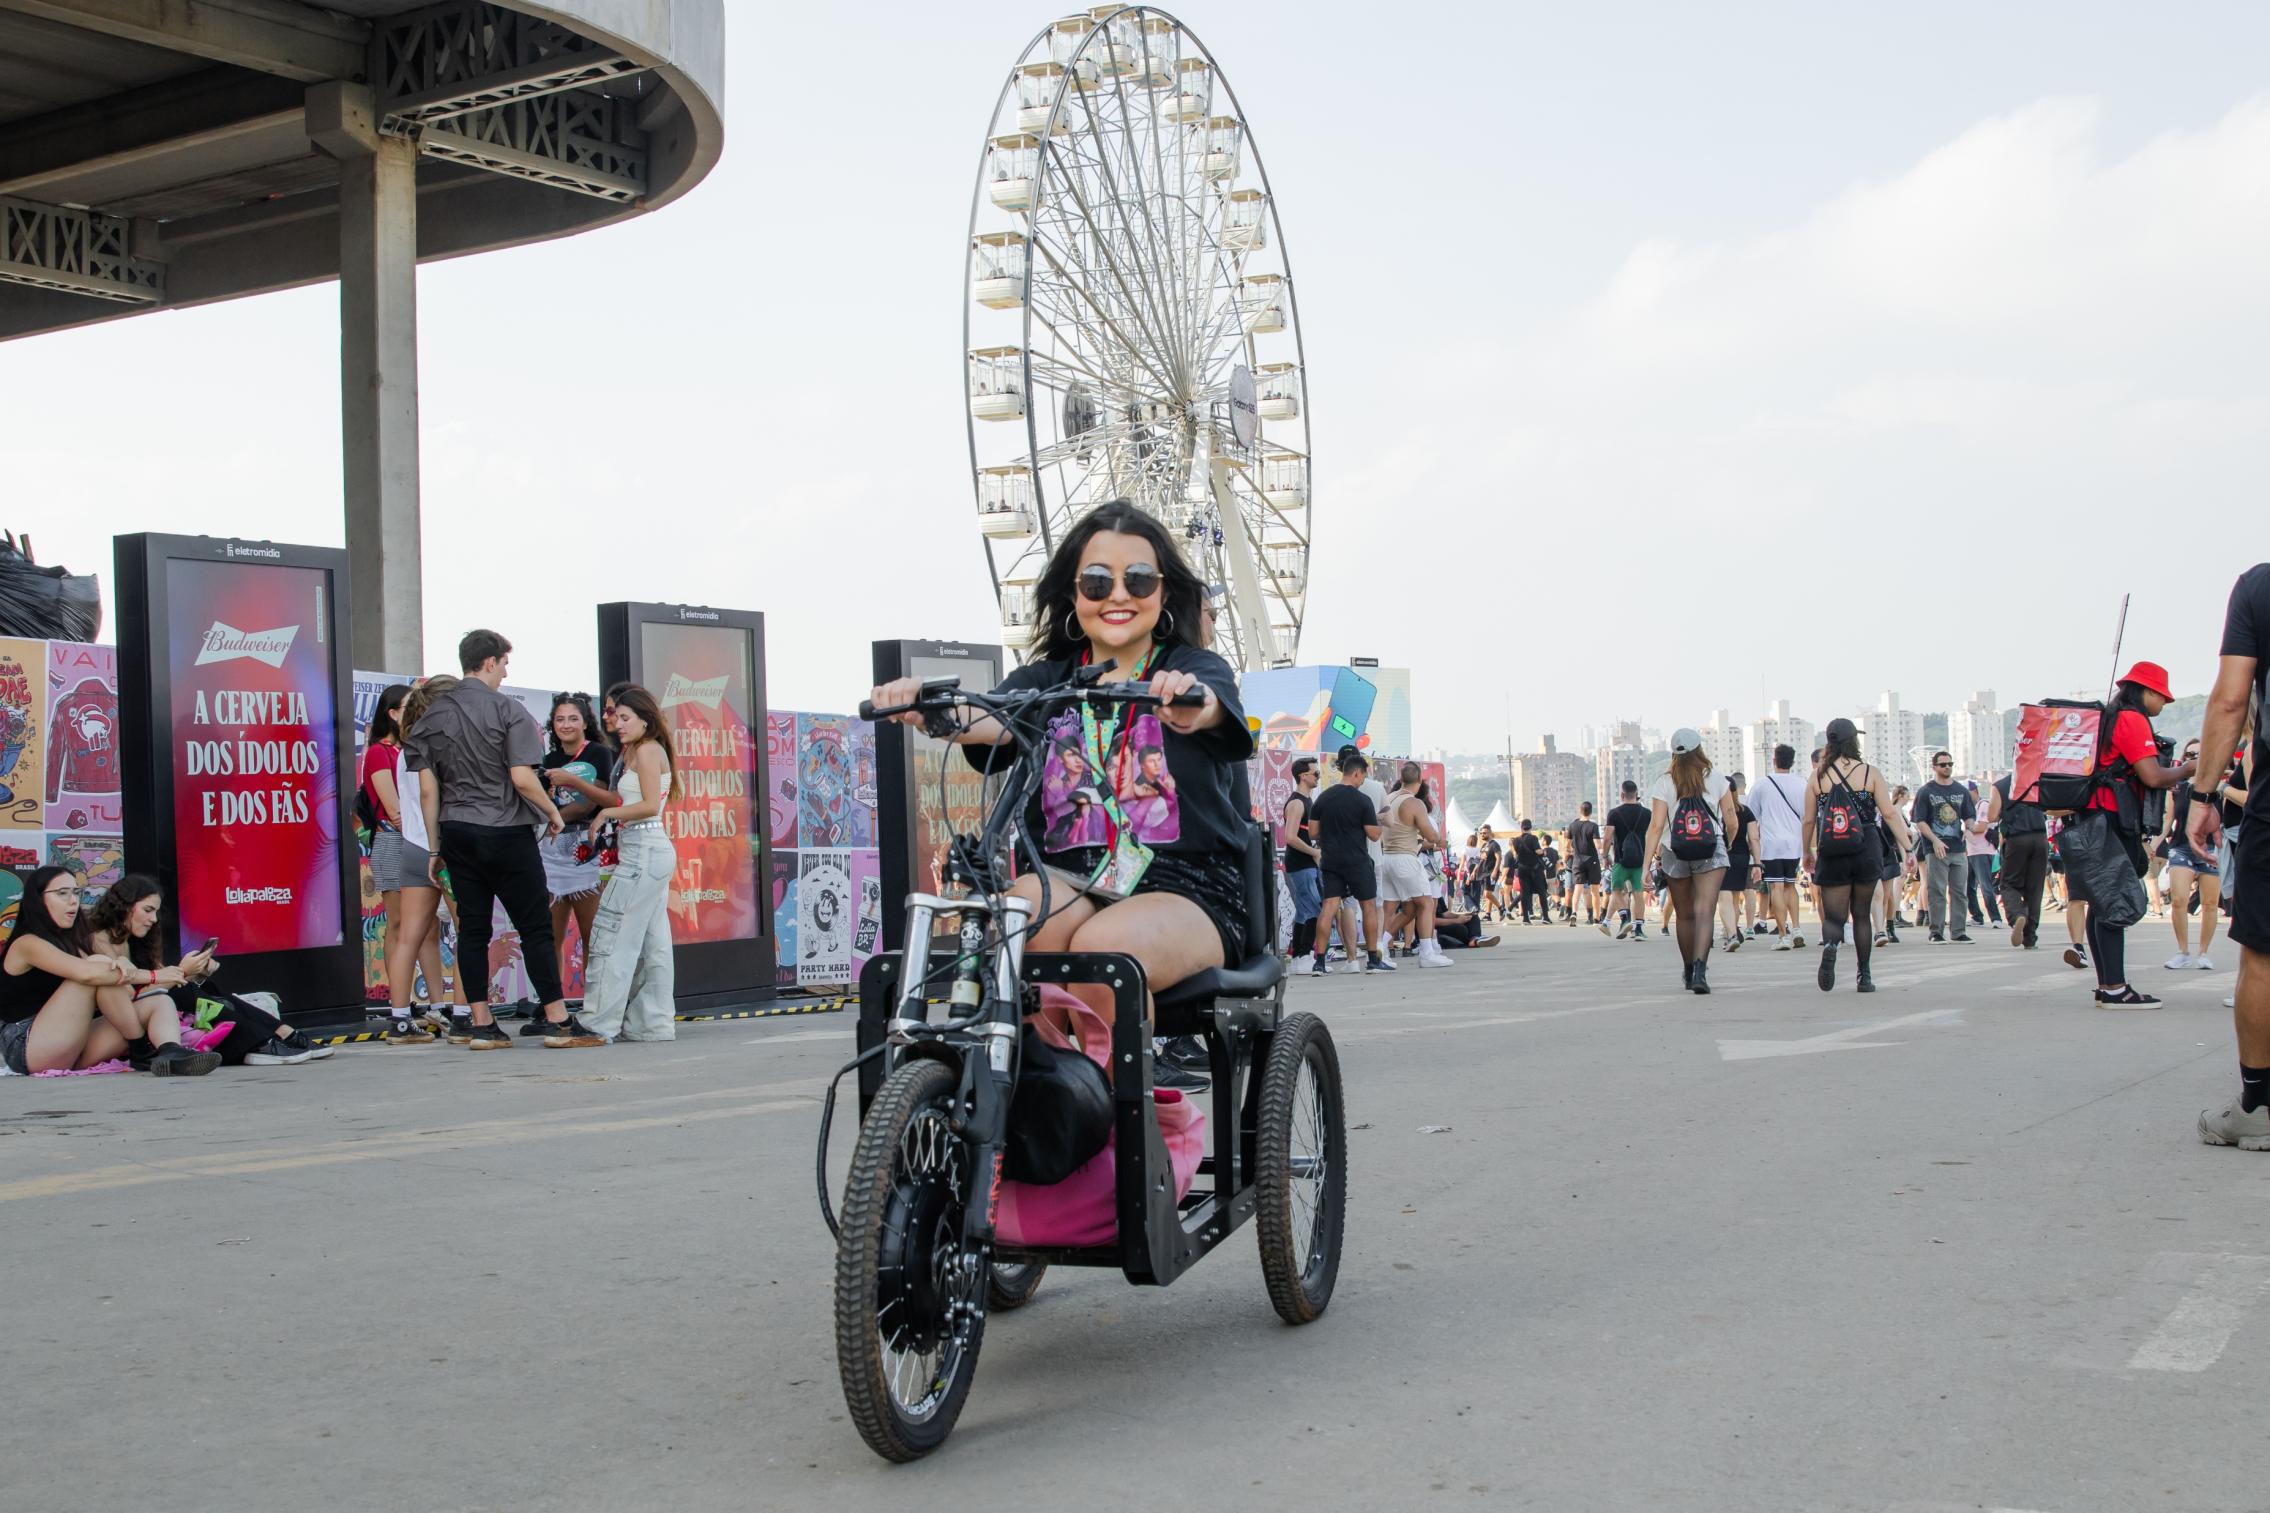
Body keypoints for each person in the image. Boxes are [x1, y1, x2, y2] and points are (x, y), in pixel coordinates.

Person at [870, 498, 1257, 1046]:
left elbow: (1215, 704)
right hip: (1069, 876)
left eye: (1139, 579)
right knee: (1016, 928)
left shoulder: (1190, 669)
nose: (1118, 594)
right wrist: (929, 708)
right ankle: (1041, 1107)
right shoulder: (1046, 681)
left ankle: (1123, 1127)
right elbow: (987, 717)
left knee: (1103, 955)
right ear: (1074, 595)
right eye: (1097, 582)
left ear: (1164, 591)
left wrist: (1192, 704)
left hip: (1184, 887)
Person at [404, 629, 603, 1049]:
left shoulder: (432, 717)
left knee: (473, 929)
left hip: (456, 832)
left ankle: (480, 1025)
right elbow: (521, 778)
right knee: (534, 925)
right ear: (491, 661)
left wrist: (437, 847)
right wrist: (551, 812)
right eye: (505, 663)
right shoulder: (508, 711)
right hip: (505, 830)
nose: (506, 672)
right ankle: (560, 1021)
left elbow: (428, 791)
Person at [84, 875, 332, 1065]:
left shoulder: (136, 940)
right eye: (148, 910)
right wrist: (181, 972)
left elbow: (158, 982)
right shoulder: (99, 940)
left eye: (156, 911)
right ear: (124, 906)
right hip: (115, 1025)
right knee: (187, 992)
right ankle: (262, 1041)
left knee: (203, 987)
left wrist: (194, 972)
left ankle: (280, 1033)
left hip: (146, 1016)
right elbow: (129, 997)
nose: (154, 919)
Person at [2, 866, 218, 1076]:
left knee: (158, 1001)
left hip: (72, 1044)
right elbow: (88, 973)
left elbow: (124, 995)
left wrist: (122, 966)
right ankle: (141, 1049)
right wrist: (154, 975)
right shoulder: (27, 943)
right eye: (62, 893)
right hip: (28, 1047)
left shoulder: (72, 940)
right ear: (38, 900)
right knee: (98, 965)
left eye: (77, 892)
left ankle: (171, 1052)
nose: (73, 900)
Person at [2190, 563, 2268, 1147]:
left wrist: (2203, 794)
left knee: (2263, 957)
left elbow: (2230, 700)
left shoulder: (2259, 588)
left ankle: (2259, 1106)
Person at [2071, 662, 2194, 1006]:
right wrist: (2187, 768)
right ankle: (2114, 989)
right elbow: (2153, 776)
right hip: (2111, 817)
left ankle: (2108, 984)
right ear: (2148, 691)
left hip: (2093, 817)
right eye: (2163, 698)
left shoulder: (2111, 718)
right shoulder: (2131, 718)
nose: (2163, 705)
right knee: (2116, 901)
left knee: (2101, 902)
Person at [578, 683, 679, 1042]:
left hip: (644, 847)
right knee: (654, 941)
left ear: (645, 719)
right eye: (614, 716)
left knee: (613, 934)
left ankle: (597, 1023)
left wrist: (606, 812)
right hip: (645, 847)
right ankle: (651, 1024)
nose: (617, 723)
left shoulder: (648, 751)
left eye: (625, 717)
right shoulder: (639, 750)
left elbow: (651, 804)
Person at [1800, 719, 1911, 994]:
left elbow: (1809, 820)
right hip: (1865, 845)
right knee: (1861, 915)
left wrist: (1807, 851)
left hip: (1832, 848)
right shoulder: (1869, 773)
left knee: (1834, 917)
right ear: (1854, 741)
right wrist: (1906, 846)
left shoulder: (1817, 777)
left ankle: (1830, 945)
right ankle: (1864, 976)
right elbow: (1888, 813)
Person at [534, 691, 621, 1033]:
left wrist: (554, 816)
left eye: (573, 718)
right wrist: (546, 823)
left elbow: (589, 803)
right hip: (552, 850)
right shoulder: (547, 758)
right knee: (549, 935)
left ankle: (594, 1008)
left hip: (587, 847)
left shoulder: (600, 753)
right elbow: (539, 800)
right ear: (552, 725)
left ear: (585, 722)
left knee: (592, 935)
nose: (566, 724)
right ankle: (552, 1011)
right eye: (560, 719)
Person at [383, 676, 460, 1042]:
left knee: (407, 937)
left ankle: (399, 1019)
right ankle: (463, 1013)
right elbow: (433, 797)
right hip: (443, 846)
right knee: (469, 931)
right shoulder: (444, 745)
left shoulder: (406, 749)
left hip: (411, 844)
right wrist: (438, 847)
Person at [1640, 729, 1741, 993]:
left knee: (1684, 915)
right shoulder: (1717, 778)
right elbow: (1731, 818)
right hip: (1711, 848)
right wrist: (1727, 841)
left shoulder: (1665, 782)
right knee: (1705, 912)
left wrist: (1646, 866)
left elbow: (1655, 826)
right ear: (1700, 749)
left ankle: (1687, 969)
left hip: (1675, 850)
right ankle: (1700, 971)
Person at [1309, 752, 1388, 973]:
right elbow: (1373, 835)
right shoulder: (1363, 800)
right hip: (1357, 861)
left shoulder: (1323, 797)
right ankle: (1373, 961)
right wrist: (1379, 823)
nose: (1362, 780)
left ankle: (1320, 962)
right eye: (1362, 776)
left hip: (1331, 860)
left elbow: (1314, 832)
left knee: (1329, 907)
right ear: (1355, 773)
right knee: (1369, 906)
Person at [1377, 762, 1451, 967]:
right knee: (1426, 903)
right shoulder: (1414, 803)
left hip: (1386, 858)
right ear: (1419, 780)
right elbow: (1430, 834)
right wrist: (1440, 840)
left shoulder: (1389, 798)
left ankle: (1380, 947)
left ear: (1401, 779)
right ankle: (1427, 953)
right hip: (1405, 858)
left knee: (1405, 908)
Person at [2162, 738, 2223, 973]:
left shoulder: (2218, 786)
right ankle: (2183, 951)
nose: (2194, 758)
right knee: (2179, 900)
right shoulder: (2178, 787)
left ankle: (2204, 953)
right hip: (2181, 847)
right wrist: (2152, 843)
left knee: (2209, 904)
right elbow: (2169, 820)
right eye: (2189, 755)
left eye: (2199, 754)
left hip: (2211, 848)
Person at [1911, 752, 1978, 943]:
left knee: (1960, 892)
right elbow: (1920, 821)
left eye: (1950, 764)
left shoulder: (1961, 790)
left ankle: (1958, 931)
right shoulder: (1926, 791)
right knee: (1937, 891)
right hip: (1936, 849)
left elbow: (1969, 815)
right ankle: (1936, 931)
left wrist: (1969, 827)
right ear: (1934, 767)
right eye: (1943, 765)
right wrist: (1934, 840)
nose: (1947, 767)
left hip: (1958, 848)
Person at [1750, 744, 1808, 949]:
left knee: (1776, 887)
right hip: (1794, 843)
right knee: (1791, 885)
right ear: (1792, 761)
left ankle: (1783, 935)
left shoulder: (1761, 785)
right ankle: (1797, 927)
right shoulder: (1802, 784)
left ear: (1774, 760)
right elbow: (1807, 817)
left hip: (1771, 844)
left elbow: (1752, 817)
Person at [1988, 768, 2050, 949]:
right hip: (2040, 838)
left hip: (2016, 839)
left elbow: (1991, 816)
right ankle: (2030, 937)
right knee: (2035, 888)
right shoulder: (2038, 779)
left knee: (2009, 883)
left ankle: (2017, 916)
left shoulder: (2000, 785)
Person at [1281, 757, 1324, 975]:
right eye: (1315, 773)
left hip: (1306, 863)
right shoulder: (1297, 802)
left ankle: (1299, 955)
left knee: (1305, 910)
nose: (1318, 777)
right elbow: (1290, 837)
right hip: (1300, 863)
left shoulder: (1307, 801)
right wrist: (1314, 852)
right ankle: (1304, 954)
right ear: (1303, 776)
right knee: (1312, 907)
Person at [1603, 779, 1651, 939]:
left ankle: (1624, 919)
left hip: (1620, 860)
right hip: (1640, 861)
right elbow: (1652, 837)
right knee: (1638, 894)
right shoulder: (1646, 813)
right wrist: (1651, 860)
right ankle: (1639, 930)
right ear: (1636, 795)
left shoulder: (1614, 813)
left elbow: (1607, 837)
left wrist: (1604, 855)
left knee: (1616, 890)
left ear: (1622, 794)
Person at [1717, 772, 1760, 951]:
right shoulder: (1745, 810)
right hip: (1742, 857)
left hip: (1722, 856)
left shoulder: (1715, 811)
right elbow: (1754, 839)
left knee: (1723, 897)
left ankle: (1731, 934)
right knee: (1734, 899)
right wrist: (1757, 862)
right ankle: (1733, 931)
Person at [1963, 780, 2003, 929]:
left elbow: (1981, 826)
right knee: (1968, 886)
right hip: (1971, 851)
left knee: (1985, 885)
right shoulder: (1968, 808)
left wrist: (1965, 830)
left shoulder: (1983, 805)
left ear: (1974, 792)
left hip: (1983, 851)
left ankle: (1995, 918)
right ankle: (1976, 916)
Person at [1567, 801, 1604, 925]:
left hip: (1577, 860)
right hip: (1591, 860)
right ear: (1591, 811)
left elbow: (1568, 845)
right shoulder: (1593, 826)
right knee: (1595, 890)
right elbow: (1598, 845)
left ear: (1580, 810)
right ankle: (1597, 917)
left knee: (1578, 888)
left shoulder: (1572, 825)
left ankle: (1574, 912)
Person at [1511, 819, 1547, 925]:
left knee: (1524, 894)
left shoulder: (1516, 840)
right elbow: (1537, 851)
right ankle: (1545, 917)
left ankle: (1526, 919)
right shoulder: (1533, 838)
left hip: (1522, 870)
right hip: (1534, 870)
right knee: (1541, 892)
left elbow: (1516, 854)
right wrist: (1544, 852)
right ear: (1531, 828)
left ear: (1521, 827)